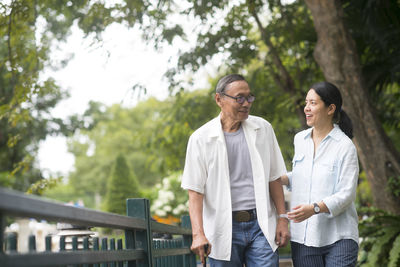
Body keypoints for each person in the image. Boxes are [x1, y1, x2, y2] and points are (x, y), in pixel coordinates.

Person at [181, 74, 290, 267]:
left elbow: (274, 178)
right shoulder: (200, 139)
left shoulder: (263, 128)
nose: (246, 103)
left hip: (260, 224)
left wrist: (282, 219)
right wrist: (198, 234)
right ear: (219, 99)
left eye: (249, 97)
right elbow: (195, 191)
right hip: (223, 228)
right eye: (239, 98)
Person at [281, 81, 359, 267]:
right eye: (306, 103)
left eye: (313, 103)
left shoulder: (345, 146)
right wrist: (279, 179)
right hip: (304, 238)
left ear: (330, 108)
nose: (307, 108)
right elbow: (303, 176)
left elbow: (346, 194)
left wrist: (314, 208)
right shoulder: (300, 139)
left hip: (339, 236)